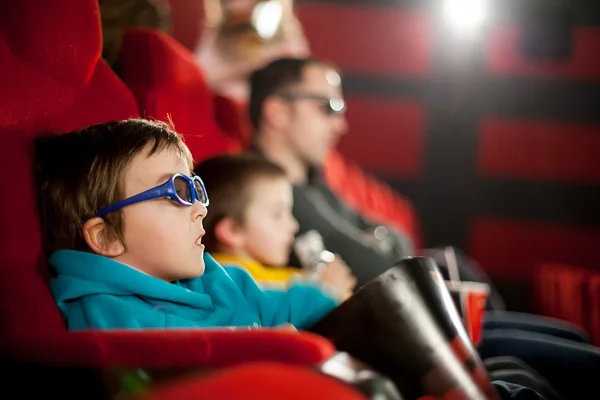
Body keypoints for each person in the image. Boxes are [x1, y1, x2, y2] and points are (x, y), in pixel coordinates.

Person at [36, 118, 339, 331]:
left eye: (195, 190)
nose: (199, 210)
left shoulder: (213, 278)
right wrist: (271, 349)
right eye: (176, 194)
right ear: (106, 236)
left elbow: (284, 304)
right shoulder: (109, 318)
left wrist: (335, 300)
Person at [194, 153, 356, 300]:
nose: (293, 225)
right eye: (277, 215)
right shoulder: (227, 283)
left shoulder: (281, 278)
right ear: (233, 230)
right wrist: (325, 292)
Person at [195, 0, 309, 101]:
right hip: (225, 110)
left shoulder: (285, 33)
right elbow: (199, 79)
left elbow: (302, 80)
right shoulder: (217, 33)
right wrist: (245, 67)